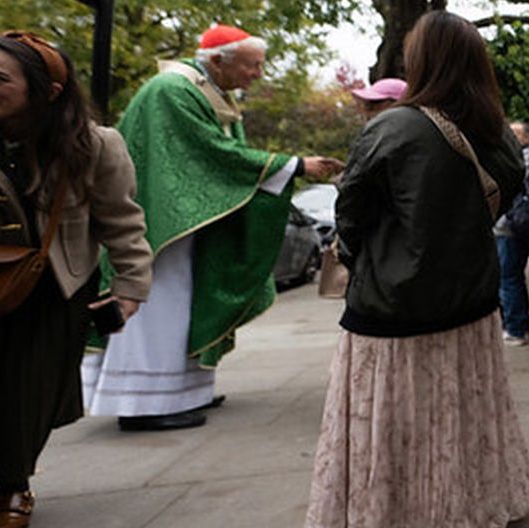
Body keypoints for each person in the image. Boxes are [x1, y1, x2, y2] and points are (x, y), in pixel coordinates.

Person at [295, 11, 529, 528]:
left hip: (394, 312)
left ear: (422, 61)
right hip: (470, 303)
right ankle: (466, 515)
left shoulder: (394, 128)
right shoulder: (497, 133)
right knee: (458, 419)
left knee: (389, 429)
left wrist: (364, 259)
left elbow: (350, 214)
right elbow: (507, 194)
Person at [81, 24, 343, 431]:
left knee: (182, 306)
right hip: (162, 225)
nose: (258, 74)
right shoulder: (173, 90)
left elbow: (225, 155)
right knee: (160, 308)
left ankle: (185, 391)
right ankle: (141, 404)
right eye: (252, 66)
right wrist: (293, 165)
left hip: (182, 225)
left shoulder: (211, 92)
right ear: (218, 60)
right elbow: (213, 154)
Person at [0, 31, 152, 528]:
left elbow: (122, 222)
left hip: (53, 290)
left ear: (45, 90)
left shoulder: (96, 145)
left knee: (22, 395)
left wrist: (130, 288)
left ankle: (13, 488)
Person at [493, 120, 529, 345]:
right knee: (513, 277)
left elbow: (509, 182)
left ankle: (516, 329)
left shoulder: (525, 157)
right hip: (511, 225)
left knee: (508, 278)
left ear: (526, 138)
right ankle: (522, 324)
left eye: (515, 134)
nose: (510, 138)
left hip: (509, 227)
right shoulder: (522, 156)